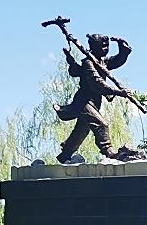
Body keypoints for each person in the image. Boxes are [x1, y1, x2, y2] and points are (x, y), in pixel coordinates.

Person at [53, 34, 142, 163]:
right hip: (83, 102)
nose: (105, 48)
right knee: (101, 125)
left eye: (107, 46)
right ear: (93, 47)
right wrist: (119, 92)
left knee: (82, 130)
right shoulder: (88, 63)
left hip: (95, 102)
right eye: (102, 45)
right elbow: (97, 84)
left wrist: (123, 51)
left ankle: (65, 154)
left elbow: (117, 61)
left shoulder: (102, 61)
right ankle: (109, 152)